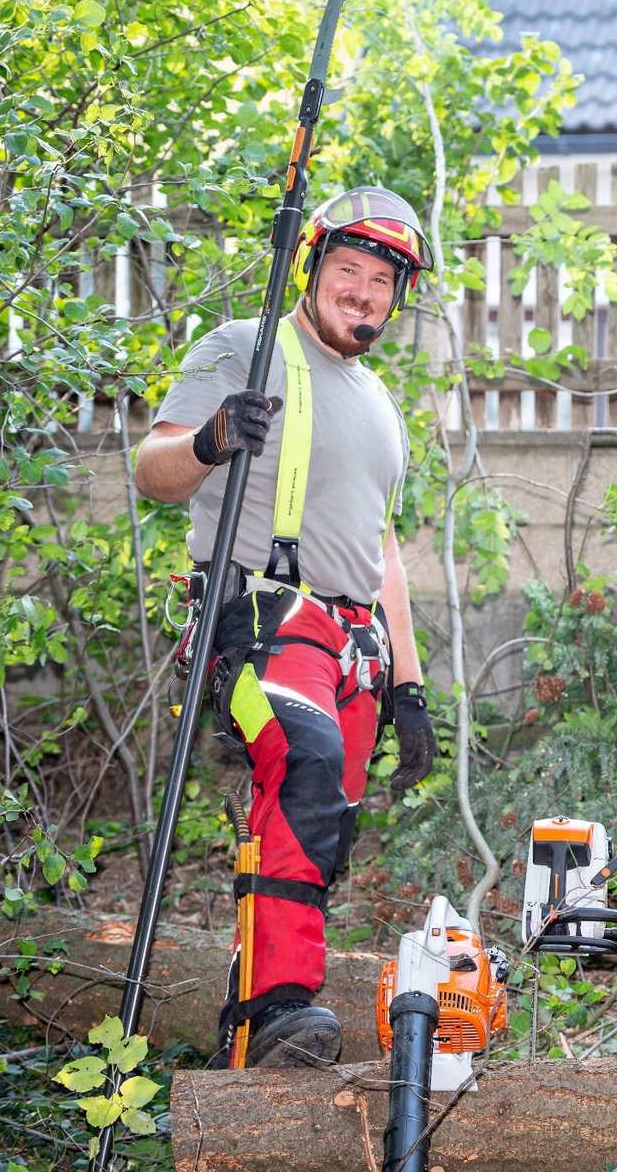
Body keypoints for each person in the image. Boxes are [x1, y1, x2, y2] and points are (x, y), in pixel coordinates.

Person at [135, 186, 440, 1068]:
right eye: (348, 270)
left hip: (356, 649)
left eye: (382, 281)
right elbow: (153, 471)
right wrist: (211, 440)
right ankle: (279, 1006)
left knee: (319, 825)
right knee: (301, 763)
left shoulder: (381, 402)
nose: (365, 293)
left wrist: (410, 688)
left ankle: (263, 1022)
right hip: (265, 619)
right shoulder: (245, 348)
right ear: (311, 269)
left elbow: (380, 552)